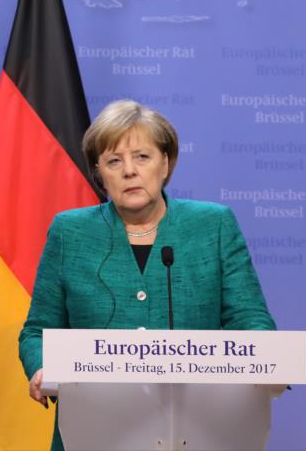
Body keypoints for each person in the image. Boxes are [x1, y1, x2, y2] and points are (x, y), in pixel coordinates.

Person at [19, 99, 276, 450]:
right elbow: (38, 330)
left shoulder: (213, 225)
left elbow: (251, 320)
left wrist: (263, 365)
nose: (129, 171)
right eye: (114, 161)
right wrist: (42, 367)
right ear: (100, 173)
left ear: (165, 163)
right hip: (92, 427)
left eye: (142, 157)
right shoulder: (69, 232)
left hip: (197, 428)